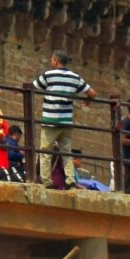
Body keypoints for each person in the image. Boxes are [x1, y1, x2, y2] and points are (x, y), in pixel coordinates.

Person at [32, 51, 89, 188]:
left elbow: (32, 87)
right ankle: (70, 180)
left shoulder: (48, 75)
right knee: (66, 152)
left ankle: (46, 181)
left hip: (50, 120)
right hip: (66, 121)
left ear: (56, 60)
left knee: (46, 151)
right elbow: (92, 93)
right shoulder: (75, 77)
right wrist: (87, 101)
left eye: (52, 58)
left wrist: (16, 91)